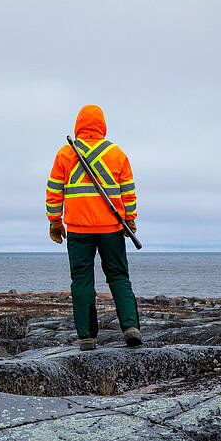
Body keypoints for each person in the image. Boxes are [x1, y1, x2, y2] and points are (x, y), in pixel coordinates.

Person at [46, 104, 142, 351]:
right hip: (111, 228)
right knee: (119, 277)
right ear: (102, 125)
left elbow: (54, 191)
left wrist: (55, 220)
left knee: (81, 281)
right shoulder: (116, 153)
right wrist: (129, 219)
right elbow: (128, 191)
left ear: (78, 125)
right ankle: (131, 328)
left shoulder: (66, 154)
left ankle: (87, 337)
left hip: (78, 230)